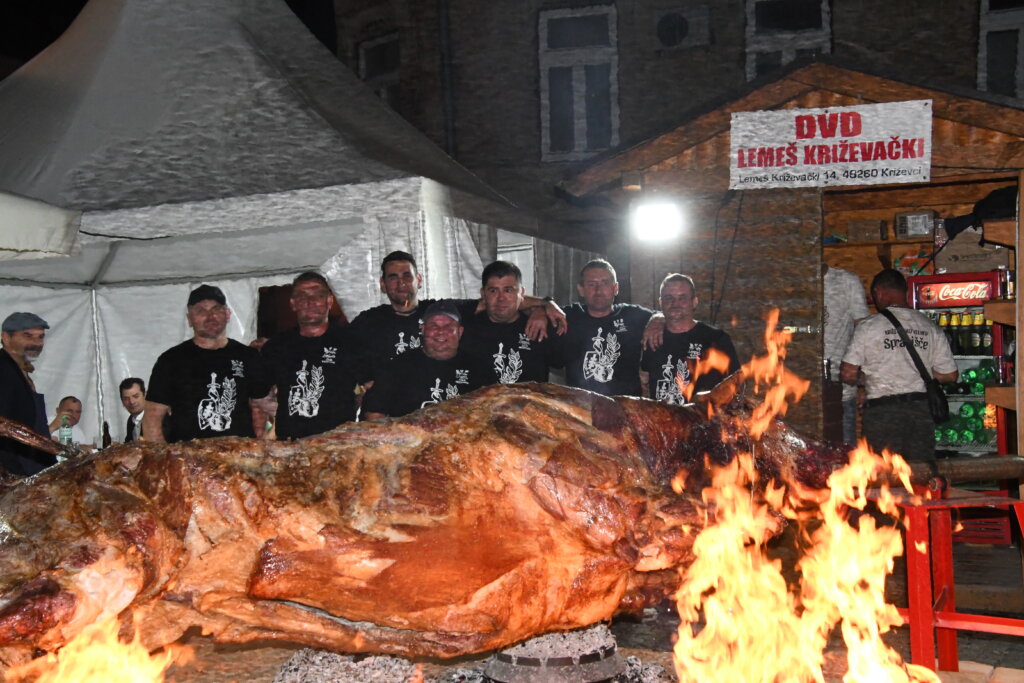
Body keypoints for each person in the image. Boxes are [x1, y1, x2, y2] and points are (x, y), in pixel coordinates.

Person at [347, 251, 564, 385]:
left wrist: (543, 304)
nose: (401, 283)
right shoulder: (369, 320)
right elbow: (344, 350)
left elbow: (498, 302)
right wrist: (366, 381)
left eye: (407, 276)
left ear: (419, 280)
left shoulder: (440, 310)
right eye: (393, 277)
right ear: (383, 284)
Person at [841, 269, 958, 463]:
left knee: (881, 475)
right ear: (904, 291)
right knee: (919, 473)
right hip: (920, 411)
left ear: (879, 292)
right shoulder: (929, 326)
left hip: (882, 413)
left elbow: (847, 373)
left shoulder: (869, 326)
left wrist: (865, 380)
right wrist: (921, 374)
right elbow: (950, 375)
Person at [144, 284, 273, 442]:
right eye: (201, 311)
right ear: (189, 319)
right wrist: (160, 459)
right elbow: (152, 418)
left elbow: (266, 404)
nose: (210, 316)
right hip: (188, 460)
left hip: (237, 458)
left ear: (227, 314)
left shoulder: (248, 356)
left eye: (216, 309)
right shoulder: (171, 360)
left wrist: (266, 442)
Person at [260, 272, 366, 439]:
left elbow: (372, 389)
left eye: (318, 295)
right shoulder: (276, 346)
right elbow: (258, 394)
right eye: (302, 296)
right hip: (289, 446)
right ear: (293, 304)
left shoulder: (350, 342)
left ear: (329, 301)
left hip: (337, 446)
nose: (310, 302)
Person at [362, 300, 489, 419]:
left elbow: (494, 414)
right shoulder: (397, 366)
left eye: (448, 326)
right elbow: (373, 413)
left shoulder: (480, 370)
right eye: (434, 325)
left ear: (460, 332)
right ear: (422, 329)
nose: (440, 331)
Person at [557, 259, 656, 396]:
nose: (598, 290)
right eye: (592, 284)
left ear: (615, 288)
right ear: (581, 289)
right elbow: (521, 303)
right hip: (581, 408)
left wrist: (657, 320)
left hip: (624, 408)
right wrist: (542, 307)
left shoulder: (631, 316)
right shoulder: (568, 316)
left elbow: (669, 315)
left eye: (605, 283)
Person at [640, 274, 740, 404]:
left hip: (704, 422)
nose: (675, 304)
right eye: (668, 298)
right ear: (661, 303)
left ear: (694, 302)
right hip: (663, 421)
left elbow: (736, 384)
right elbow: (644, 382)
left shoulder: (715, 339)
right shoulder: (653, 338)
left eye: (682, 298)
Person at [461, 261, 559, 385]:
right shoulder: (464, 329)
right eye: (493, 291)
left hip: (530, 403)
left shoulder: (542, 326)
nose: (501, 298)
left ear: (521, 293)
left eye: (508, 290)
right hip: (478, 403)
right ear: (483, 294)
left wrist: (543, 307)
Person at [0, 312, 56, 474]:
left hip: (31, 468)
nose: (36, 343)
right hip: (15, 472)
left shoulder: (19, 370)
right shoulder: (3, 370)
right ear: (6, 338)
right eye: (27, 336)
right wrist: (14, 476)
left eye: (40, 337)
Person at [823, 264, 870, 445]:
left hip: (842, 388)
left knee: (844, 456)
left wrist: (862, 383)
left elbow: (864, 332)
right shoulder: (791, 282)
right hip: (799, 392)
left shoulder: (846, 281)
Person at [119, 378, 147, 442]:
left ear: (145, 395)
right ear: (122, 401)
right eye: (126, 399)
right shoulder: (131, 420)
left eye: (136, 396)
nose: (131, 402)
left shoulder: (157, 419)